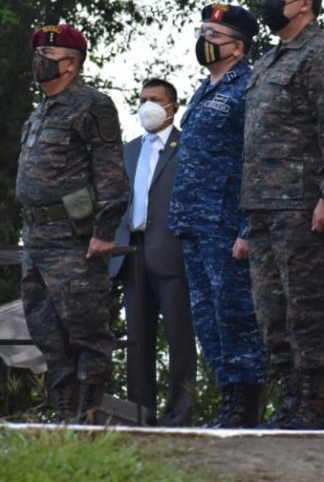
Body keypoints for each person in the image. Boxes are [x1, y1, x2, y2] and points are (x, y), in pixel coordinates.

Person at [244, 0, 324, 429]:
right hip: (262, 204)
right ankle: (288, 401)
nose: (270, 4)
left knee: (307, 306)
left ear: (305, 3)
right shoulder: (268, 60)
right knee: (271, 310)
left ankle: (312, 404)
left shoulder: (320, 54)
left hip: (302, 204)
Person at [18, 23, 129, 421]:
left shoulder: (92, 105)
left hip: (73, 237)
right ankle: (65, 410)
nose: (40, 61)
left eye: (48, 55)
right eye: (38, 54)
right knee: (46, 329)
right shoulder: (39, 113)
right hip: (36, 237)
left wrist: (104, 231)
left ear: (71, 64)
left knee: (85, 327)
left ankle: (89, 412)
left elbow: (110, 172)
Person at [169, 3, 267, 428]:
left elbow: (254, 158)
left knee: (235, 316)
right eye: (202, 32)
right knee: (208, 318)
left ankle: (245, 402)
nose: (204, 41)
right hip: (194, 223)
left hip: (226, 224)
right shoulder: (203, 90)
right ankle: (228, 399)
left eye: (213, 35)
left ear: (238, 47)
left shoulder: (248, 87)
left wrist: (247, 227)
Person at [110, 78, 196, 426]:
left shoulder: (187, 146)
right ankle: (139, 415)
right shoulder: (128, 150)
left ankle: (180, 416)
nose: (148, 105)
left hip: (172, 253)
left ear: (173, 106)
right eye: (143, 99)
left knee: (180, 339)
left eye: (156, 100)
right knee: (137, 341)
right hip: (131, 253)